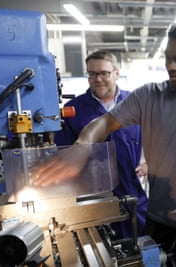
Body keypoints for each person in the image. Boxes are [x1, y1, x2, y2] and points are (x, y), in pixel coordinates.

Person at [33, 20, 176, 267]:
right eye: (167, 58)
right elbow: (105, 123)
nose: (171, 67)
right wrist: (82, 146)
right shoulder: (148, 96)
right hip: (158, 225)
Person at [54, 50, 148, 240]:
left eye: (103, 73)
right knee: (102, 247)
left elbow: (158, 137)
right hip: (92, 193)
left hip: (133, 188)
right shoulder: (74, 109)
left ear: (116, 73)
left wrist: (151, 163)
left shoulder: (136, 104)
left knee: (144, 241)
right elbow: (63, 152)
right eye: (92, 74)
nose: (97, 79)